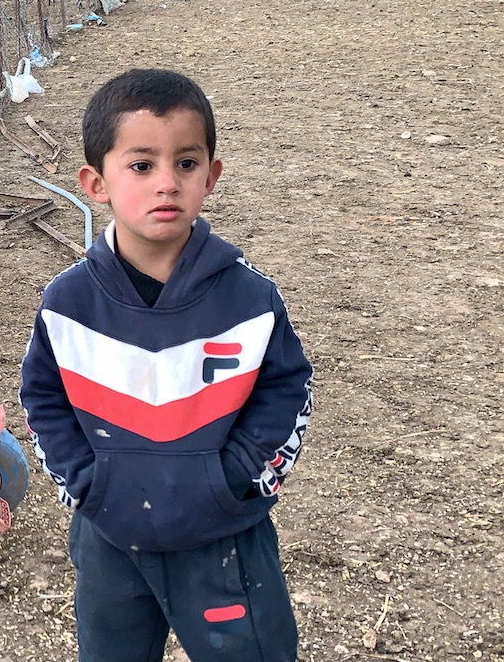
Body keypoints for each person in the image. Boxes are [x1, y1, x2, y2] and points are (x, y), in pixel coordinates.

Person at [19, 68, 313, 662]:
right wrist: (86, 484)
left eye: (186, 162)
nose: (167, 184)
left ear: (212, 174)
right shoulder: (67, 304)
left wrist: (234, 480)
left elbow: (286, 391)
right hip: (109, 536)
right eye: (141, 164)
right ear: (95, 182)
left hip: (223, 535)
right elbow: (43, 399)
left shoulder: (250, 299)